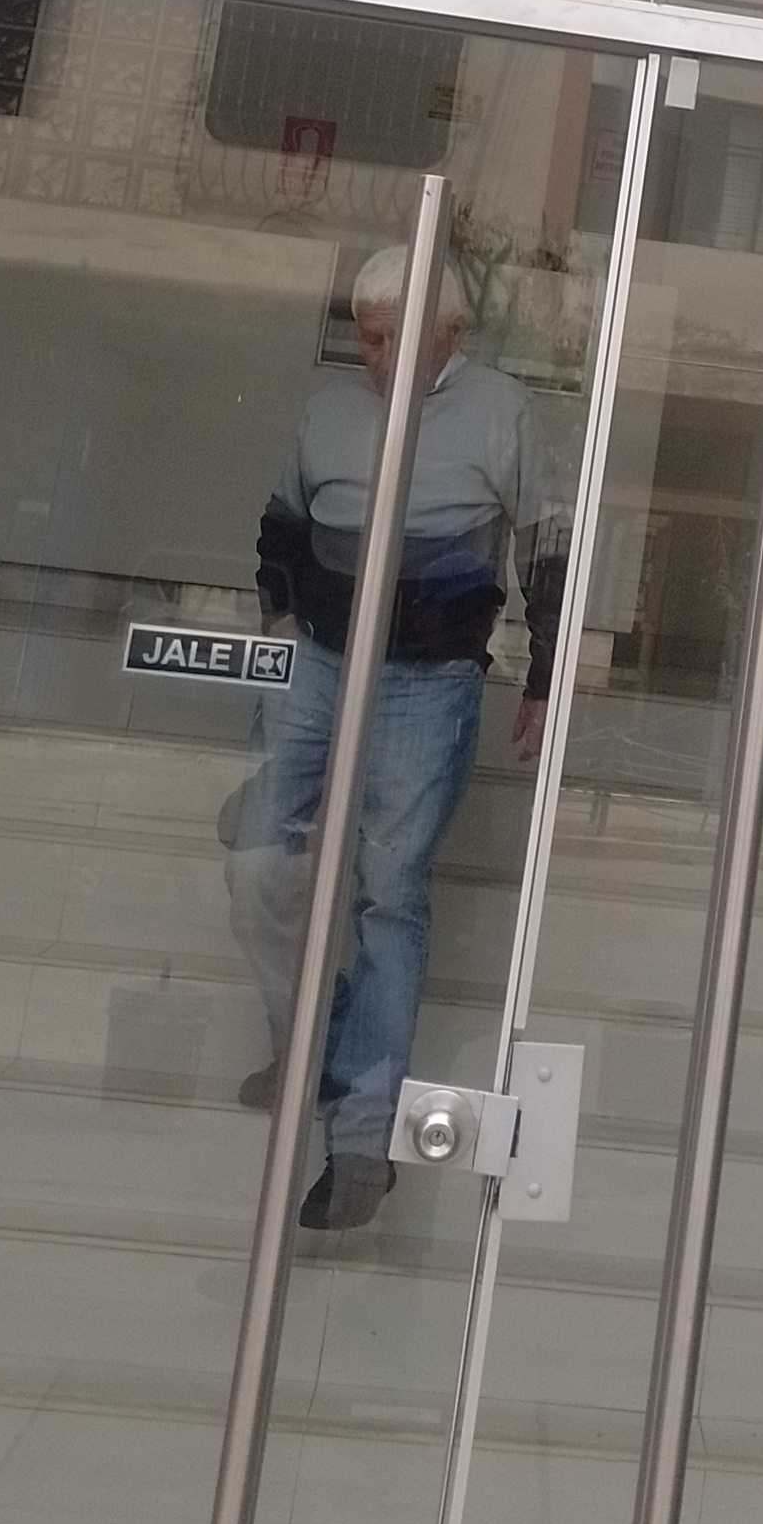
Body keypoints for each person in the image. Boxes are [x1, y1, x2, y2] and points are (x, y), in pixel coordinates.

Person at [228, 243, 557, 1234]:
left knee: (387, 890)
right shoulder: (329, 408)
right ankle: (319, 1046)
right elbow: (281, 523)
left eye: (397, 339)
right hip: (318, 659)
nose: (378, 358)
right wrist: (278, 616)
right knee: (258, 860)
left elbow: (549, 544)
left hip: (428, 675)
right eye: (369, 338)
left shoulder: (500, 411)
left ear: (450, 333)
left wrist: (544, 674)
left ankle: (363, 1139)